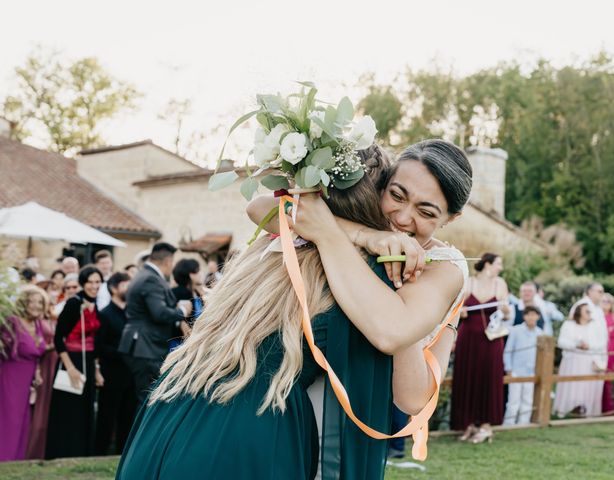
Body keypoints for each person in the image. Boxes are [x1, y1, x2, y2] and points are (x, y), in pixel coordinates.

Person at [117, 139, 471, 480]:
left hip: (201, 407)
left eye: (426, 212)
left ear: (450, 219)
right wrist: (361, 236)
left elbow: (403, 371)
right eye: (396, 195)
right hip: (261, 418)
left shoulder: (440, 266)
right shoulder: (333, 243)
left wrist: (406, 298)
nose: (402, 217)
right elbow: (261, 207)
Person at [118, 242, 193, 405]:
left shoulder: (143, 274)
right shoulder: (151, 279)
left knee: (143, 398)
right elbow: (159, 313)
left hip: (141, 345)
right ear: (167, 261)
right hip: (146, 347)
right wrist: (182, 312)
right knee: (148, 400)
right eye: (172, 263)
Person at [451, 252, 511, 443]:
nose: (500, 267)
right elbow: (453, 309)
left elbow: (507, 313)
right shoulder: (469, 282)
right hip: (469, 338)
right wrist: (460, 312)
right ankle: (467, 423)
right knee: (467, 377)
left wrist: (506, 311)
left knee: (490, 377)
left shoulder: (500, 284)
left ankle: (486, 425)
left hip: (491, 339)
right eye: (498, 263)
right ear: (487, 264)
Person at [46, 266, 104, 459]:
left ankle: (81, 452)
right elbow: (58, 339)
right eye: (90, 282)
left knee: (84, 410)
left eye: (98, 282)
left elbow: (95, 342)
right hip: (71, 360)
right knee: (68, 410)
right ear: (83, 283)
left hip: (88, 361)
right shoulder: (73, 303)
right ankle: (62, 453)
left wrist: (96, 370)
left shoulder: (96, 304)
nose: (94, 286)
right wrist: (70, 368)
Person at [0, 287, 48, 461]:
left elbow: (37, 352)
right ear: (23, 302)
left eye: (40, 302)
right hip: (10, 376)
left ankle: (16, 458)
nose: (36, 305)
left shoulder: (37, 324)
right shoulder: (12, 322)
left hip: (28, 380)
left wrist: (37, 371)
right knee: (8, 418)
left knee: (22, 419)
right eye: (32, 301)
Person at [96, 272, 137, 455]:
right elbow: (100, 346)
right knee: (107, 417)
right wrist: (123, 353)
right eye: (125, 285)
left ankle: (123, 452)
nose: (130, 288)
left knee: (127, 417)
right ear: (114, 288)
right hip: (112, 373)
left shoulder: (132, 313)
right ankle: (100, 452)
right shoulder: (105, 314)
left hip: (131, 373)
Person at [554, 303, 605, 417]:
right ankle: (567, 409)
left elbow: (601, 343)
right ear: (579, 312)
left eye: (590, 312)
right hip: (572, 361)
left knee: (586, 386)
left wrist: (589, 346)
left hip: (589, 360)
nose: (589, 314)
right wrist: (576, 345)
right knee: (571, 385)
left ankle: (585, 410)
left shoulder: (595, 326)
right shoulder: (568, 325)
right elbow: (561, 342)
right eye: (586, 311)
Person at [26, 290, 57, 459]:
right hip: (42, 365)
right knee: (36, 409)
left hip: (51, 366)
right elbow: (38, 345)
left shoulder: (51, 319)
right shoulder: (36, 322)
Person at [503, 306, 544, 425]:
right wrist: (508, 368)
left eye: (534, 314)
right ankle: (508, 424)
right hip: (516, 371)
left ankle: (523, 423)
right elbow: (508, 350)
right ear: (524, 316)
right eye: (528, 314)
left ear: (538, 316)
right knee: (513, 400)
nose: (531, 317)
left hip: (531, 372)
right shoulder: (516, 330)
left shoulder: (540, 333)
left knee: (527, 400)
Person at [569, 283, 608, 373]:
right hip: (584, 353)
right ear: (590, 292)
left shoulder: (598, 308)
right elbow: (574, 328)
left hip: (598, 351)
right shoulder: (581, 306)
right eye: (599, 291)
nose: (602, 294)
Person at [171, 258, 205, 325]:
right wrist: (181, 323)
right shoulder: (176, 293)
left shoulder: (196, 293)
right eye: (198, 271)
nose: (201, 273)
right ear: (191, 275)